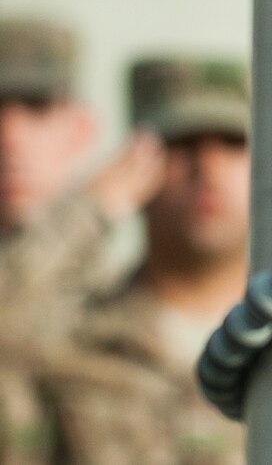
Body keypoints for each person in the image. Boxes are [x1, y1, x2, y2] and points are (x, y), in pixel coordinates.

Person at [10, 58, 251, 465]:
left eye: (233, 144)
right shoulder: (75, 338)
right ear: (137, 164)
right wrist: (89, 212)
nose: (207, 170)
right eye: (181, 145)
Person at [0, 18, 163, 349]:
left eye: (37, 109)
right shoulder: (91, 224)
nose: (11, 138)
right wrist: (89, 213)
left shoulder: (113, 295)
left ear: (81, 131)